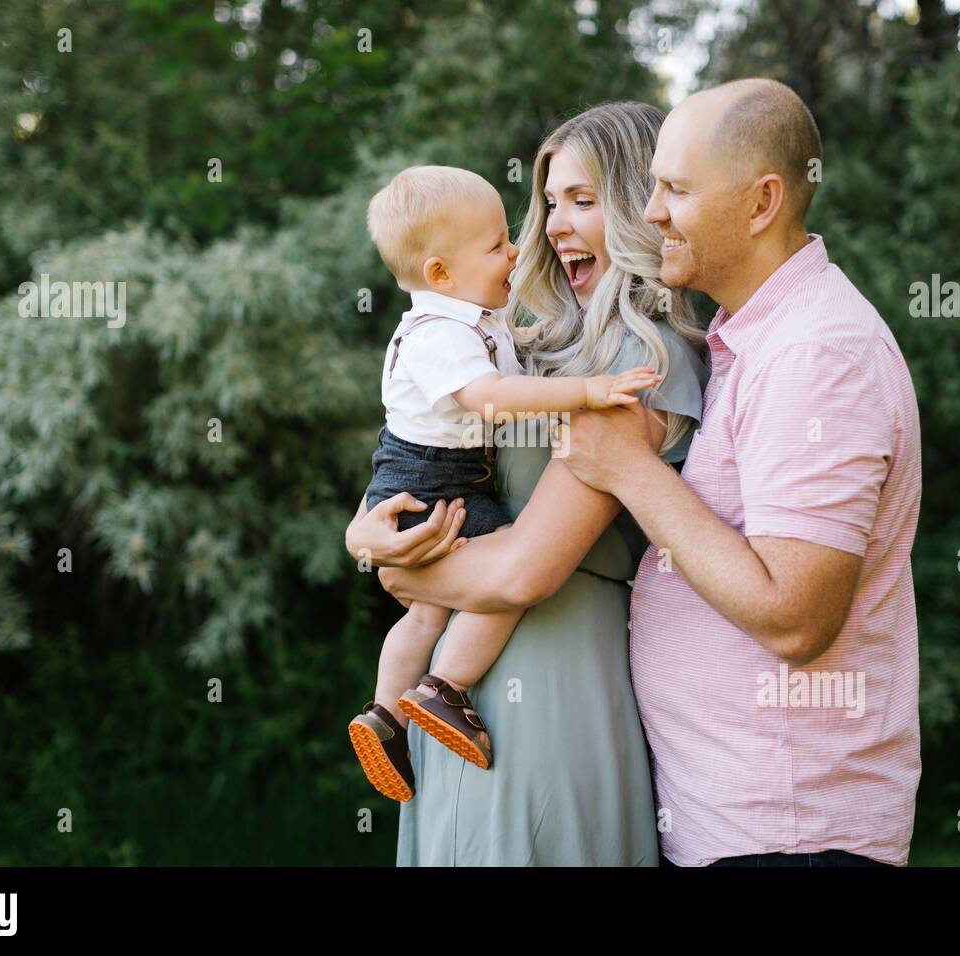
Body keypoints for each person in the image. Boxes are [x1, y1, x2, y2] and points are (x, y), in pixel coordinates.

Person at [558, 79, 923, 867]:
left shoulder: (815, 356)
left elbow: (797, 617)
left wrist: (629, 469)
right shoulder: (756, 336)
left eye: (675, 190)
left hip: (794, 836)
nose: (651, 212)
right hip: (740, 826)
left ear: (762, 203)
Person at [345, 102, 709, 865]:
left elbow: (525, 569)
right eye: (548, 204)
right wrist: (365, 532)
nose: (552, 228)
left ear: (641, 209)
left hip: (554, 674)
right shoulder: (529, 344)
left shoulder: (640, 367)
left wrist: (401, 564)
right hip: (452, 694)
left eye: (583, 201)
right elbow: (430, 446)